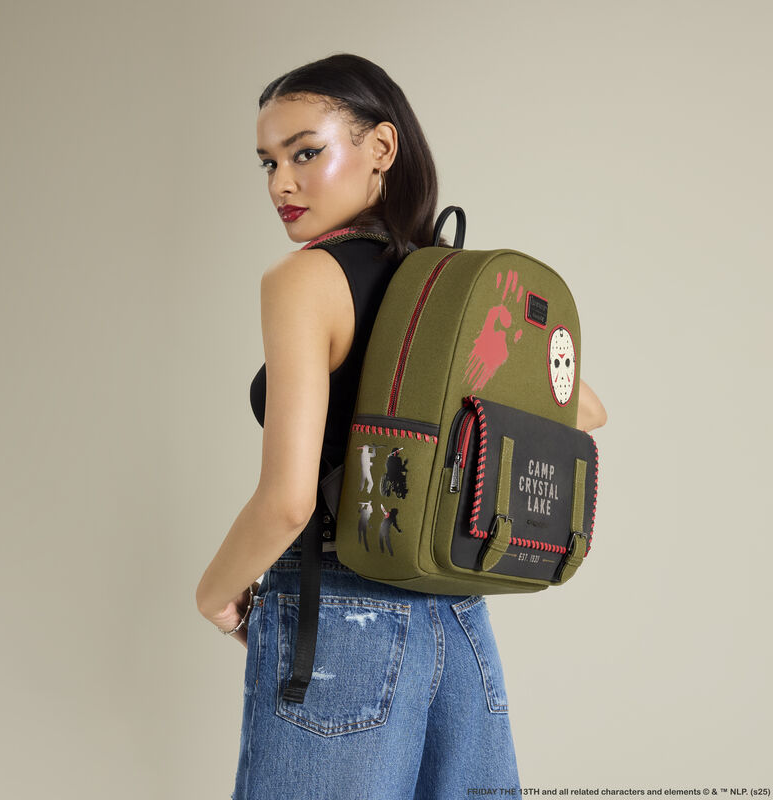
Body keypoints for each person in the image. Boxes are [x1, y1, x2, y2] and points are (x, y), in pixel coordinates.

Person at [195, 53, 608, 800]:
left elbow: (288, 500)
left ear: (381, 147)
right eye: (268, 162)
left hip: (340, 609)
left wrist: (215, 594)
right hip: (457, 614)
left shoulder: (303, 279)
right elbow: (586, 410)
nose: (281, 184)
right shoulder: (445, 289)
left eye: (305, 153)